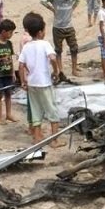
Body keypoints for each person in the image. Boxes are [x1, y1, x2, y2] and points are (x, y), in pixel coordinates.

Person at [18, 12, 65, 148]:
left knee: (35, 109)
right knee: (52, 110)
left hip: (32, 83)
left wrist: (23, 81)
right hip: (44, 82)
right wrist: (56, 71)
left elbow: (21, 65)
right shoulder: (45, 44)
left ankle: (37, 137)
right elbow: (53, 58)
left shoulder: (26, 46)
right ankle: (55, 140)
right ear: (40, 32)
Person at [41, 0, 80, 80]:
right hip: (57, 28)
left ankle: (74, 70)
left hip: (69, 27)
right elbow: (42, 0)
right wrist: (52, 9)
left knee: (74, 48)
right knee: (58, 50)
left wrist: (73, 8)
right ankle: (60, 70)